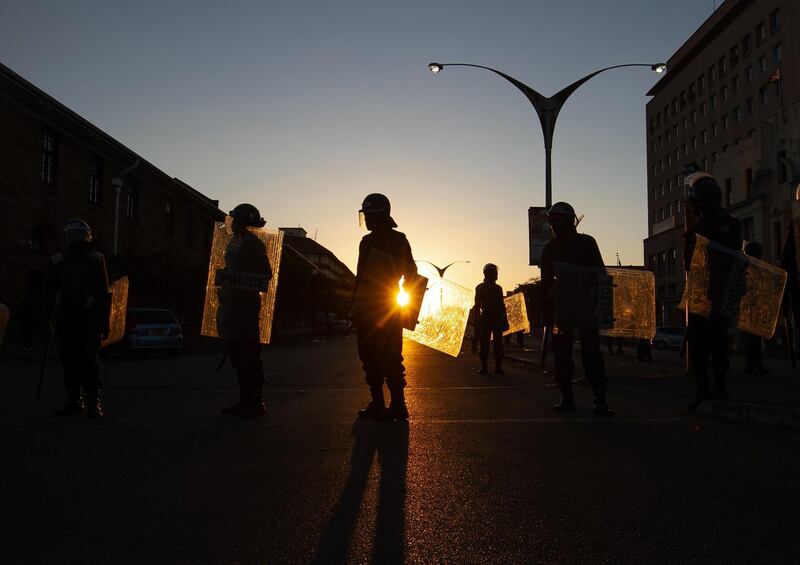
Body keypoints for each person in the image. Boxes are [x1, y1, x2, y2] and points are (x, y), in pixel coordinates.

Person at [540, 202, 614, 416]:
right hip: (564, 308)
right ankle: (569, 396)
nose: (554, 225)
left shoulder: (585, 242)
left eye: (557, 220)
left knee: (590, 353)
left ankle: (599, 398)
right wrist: (547, 312)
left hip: (584, 306)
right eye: (552, 221)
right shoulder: (551, 248)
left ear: (569, 221)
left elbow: (600, 273)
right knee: (564, 354)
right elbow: (546, 283)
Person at [351, 193, 417, 421]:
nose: (366, 220)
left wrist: (410, 308)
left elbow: (411, 274)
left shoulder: (399, 240)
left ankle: (399, 405)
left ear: (380, 215)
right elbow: (359, 278)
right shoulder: (365, 242)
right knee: (368, 357)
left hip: (389, 306)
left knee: (391, 357)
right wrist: (355, 308)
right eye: (365, 215)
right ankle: (377, 402)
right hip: (366, 309)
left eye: (369, 215)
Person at [684, 172, 742, 410]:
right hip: (719, 294)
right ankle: (716, 387)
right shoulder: (731, 224)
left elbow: (690, 264)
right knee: (717, 342)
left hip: (705, 294)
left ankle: (704, 389)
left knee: (701, 345)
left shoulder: (699, 228)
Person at [47, 219, 110, 418]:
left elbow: (102, 294)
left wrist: (104, 322)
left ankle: (93, 401)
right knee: (69, 360)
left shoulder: (96, 258)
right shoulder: (57, 259)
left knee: (89, 360)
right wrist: (47, 317)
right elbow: (49, 292)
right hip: (66, 316)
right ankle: (74, 400)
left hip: (88, 317)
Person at [218, 204, 272, 418]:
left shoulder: (254, 245)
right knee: (238, 355)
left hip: (247, 307)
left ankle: (255, 401)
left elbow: (265, 274)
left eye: (236, 221)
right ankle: (244, 399)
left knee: (249, 355)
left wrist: (241, 280)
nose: (232, 225)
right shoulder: (233, 244)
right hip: (232, 304)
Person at [474, 263, 509, 374]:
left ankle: (496, 367)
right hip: (487, 318)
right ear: (488, 274)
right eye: (494, 273)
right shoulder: (481, 288)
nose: (496, 275)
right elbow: (477, 305)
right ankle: (486, 367)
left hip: (494, 318)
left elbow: (501, 305)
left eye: (496, 273)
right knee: (486, 343)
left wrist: (504, 320)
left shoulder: (497, 288)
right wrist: (476, 320)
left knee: (496, 343)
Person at [743, 241, 769, 376]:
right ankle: (754, 363)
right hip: (751, 309)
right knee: (753, 339)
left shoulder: (746, 267)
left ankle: (751, 363)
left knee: (752, 339)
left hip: (752, 309)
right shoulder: (749, 268)